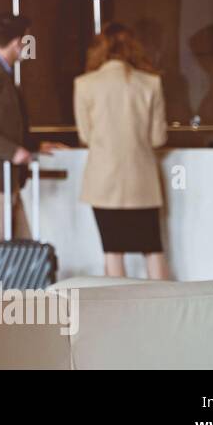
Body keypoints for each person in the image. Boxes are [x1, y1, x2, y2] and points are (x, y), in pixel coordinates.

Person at [0, 14, 64, 288]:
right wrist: (12, 151)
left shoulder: (1, 74)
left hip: (6, 178)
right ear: (17, 42)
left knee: (21, 243)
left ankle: (17, 312)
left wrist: (32, 146)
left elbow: (3, 122)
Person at [74, 22, 170, 279]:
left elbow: (86, 136)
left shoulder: (84, 84)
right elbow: (158, 138)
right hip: (142, 181)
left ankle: (120, 314)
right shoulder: (151, 83)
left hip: (104, 181)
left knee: (112, 251)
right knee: (153, 249)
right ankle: (167, 311)